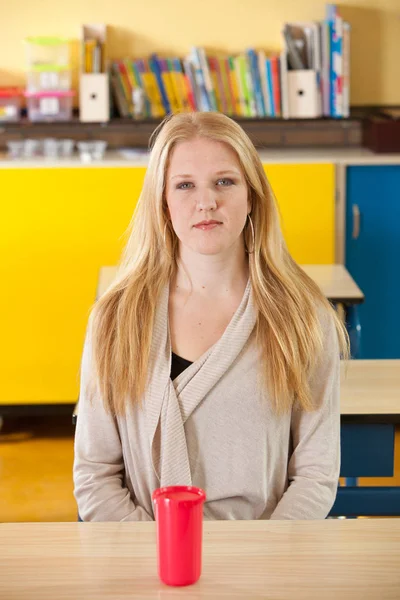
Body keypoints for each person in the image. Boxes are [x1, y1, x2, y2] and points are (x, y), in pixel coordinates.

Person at [73, 111, 349, 522]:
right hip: (145, 562)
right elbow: (95, 475)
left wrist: (262, 561)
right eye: (184, 185)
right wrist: (162, 553)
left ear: (252, 196)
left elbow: (315, 473)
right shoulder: (114, 321)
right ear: (163, 204)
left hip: (262, 564)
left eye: (225, 181)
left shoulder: (303, 319)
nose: (207, 202)